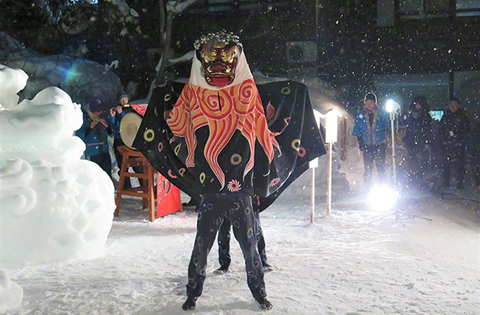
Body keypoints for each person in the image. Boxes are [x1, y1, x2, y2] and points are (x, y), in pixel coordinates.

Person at [214, 195, 273, 275]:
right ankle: (224, 264)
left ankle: (262, 261)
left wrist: (259, 194)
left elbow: (261, 183)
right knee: (223, 230)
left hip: (249, 197)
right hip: (225, 198)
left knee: (255, 229)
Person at [352, 92, 390, 188]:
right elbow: (357, 129)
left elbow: (388, 126)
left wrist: (388, 136)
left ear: (375, 103)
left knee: (380, 167)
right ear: (365, 103)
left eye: (371, 102)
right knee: (368, 168)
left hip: (379, 144)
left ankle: (382, 186)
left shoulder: (381, 114)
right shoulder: (360, 115)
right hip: (367, 144)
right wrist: (360, 142)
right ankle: (369, 188)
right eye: (367, 102)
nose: (369, 105)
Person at [438, 97, 471, 190]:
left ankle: (459, 184)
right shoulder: (446, 116)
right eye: (451, 104)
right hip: (447, 144)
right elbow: (441, 130)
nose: (452, 107)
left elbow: (466, 130)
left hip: (458, 145)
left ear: (458, 106)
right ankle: (446, 183)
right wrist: (444, 140)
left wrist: (460, 141)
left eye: (454, 104)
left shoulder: (462, 117)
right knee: (446, 164)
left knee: (459, 165)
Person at [76, 98, 113, 178]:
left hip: (104, 152)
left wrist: (107, 126)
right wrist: (90, 128)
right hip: (92, 153)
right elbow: (79, 137)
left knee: (107, 176)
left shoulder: (103, 118)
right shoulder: (84, 120)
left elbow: (112, 133)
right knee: (94, 177)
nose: (100, 113)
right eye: (99, 111)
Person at [403, 96, 433, 188]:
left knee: (422, 162)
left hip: (421, 143)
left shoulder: (426, 116)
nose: (417, 106)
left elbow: (427, 130)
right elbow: (409, 129)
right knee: (412, 162)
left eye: (419, 104)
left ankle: (421, 181)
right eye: (416, 104)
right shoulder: (411, 116)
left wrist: (425, 141)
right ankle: (413, 181)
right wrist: (406, 139)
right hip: (411, 143)